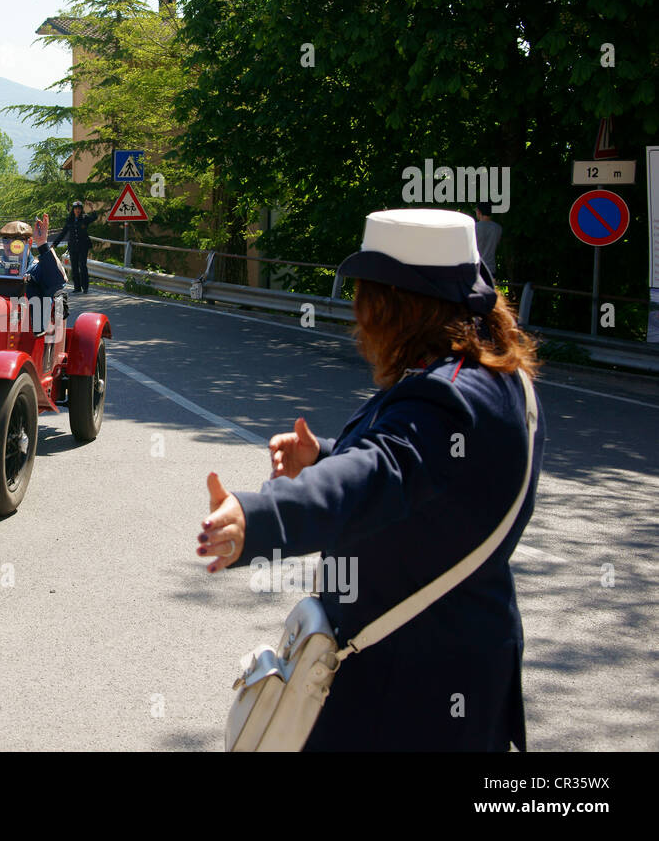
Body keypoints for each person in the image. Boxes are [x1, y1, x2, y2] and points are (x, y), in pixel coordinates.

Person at [197, 208, 545, 751]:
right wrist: (325, 456)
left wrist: (259, 516)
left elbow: (380, 472)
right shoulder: (496, 377)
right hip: (461, 665)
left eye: (364, 297)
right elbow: (426, 472)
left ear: (391, 307)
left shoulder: (446, 394)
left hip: (407, 692)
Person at [52, 200, 101, 293]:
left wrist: (92, 207)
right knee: (74, 267)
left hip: (83, 246)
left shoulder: (85, 218)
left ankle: (85, 287)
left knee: (82, 266)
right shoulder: (69, 220)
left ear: (81, 210)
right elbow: (63, 233)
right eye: (76, 209)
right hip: (73, 247)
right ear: (73, 210)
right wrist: (55, 244)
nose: (77, 210)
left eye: (79, 209)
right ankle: (77, 287)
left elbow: (94, 217)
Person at [474, 202, 502, 275]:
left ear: (479, 212)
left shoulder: (474, 227)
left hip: (476, 267)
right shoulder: (497, 228)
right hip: (491, 268)